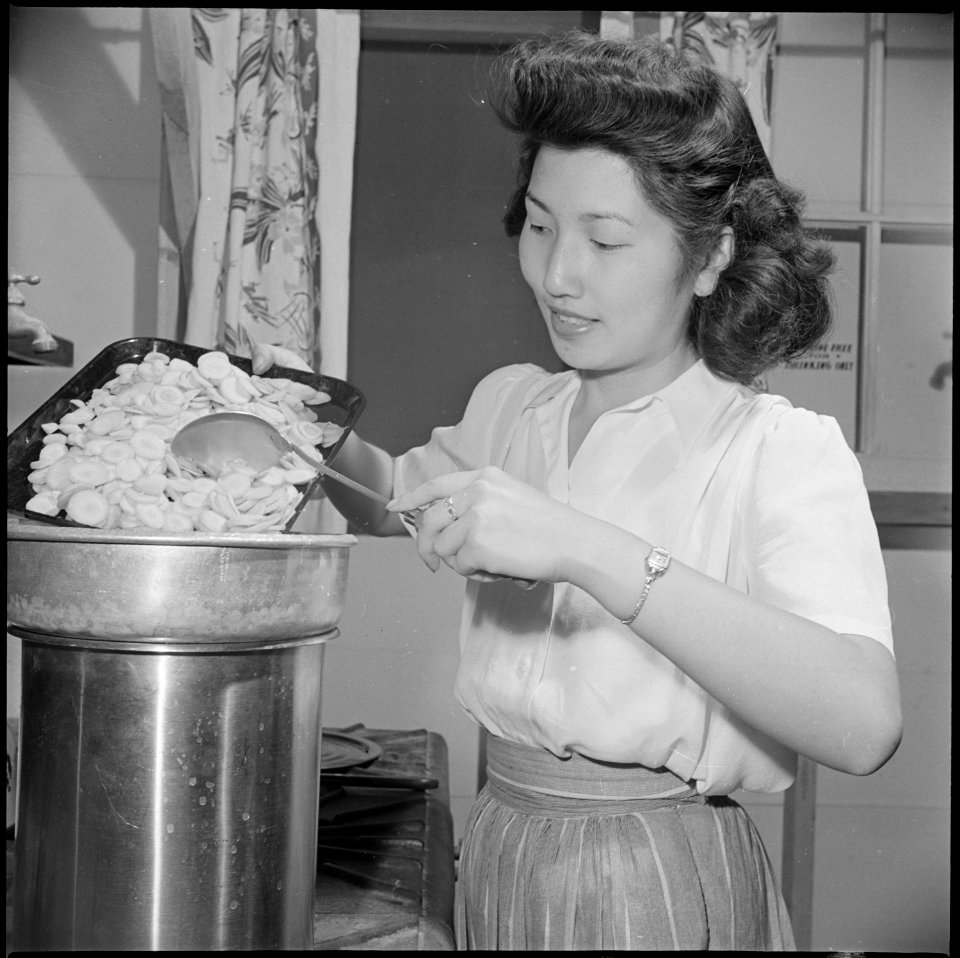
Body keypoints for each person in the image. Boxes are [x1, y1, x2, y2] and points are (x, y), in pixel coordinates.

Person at [255, 31, 902, 951]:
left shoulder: (777, 451)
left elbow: (863, 723)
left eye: (605, 239)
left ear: (711, 257)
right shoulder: (513, 405)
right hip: (504, 838)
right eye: (542, 224)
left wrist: (581, 546)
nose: (558, 275)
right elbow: (395, 498)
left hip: (659, 870)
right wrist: (303, 427)